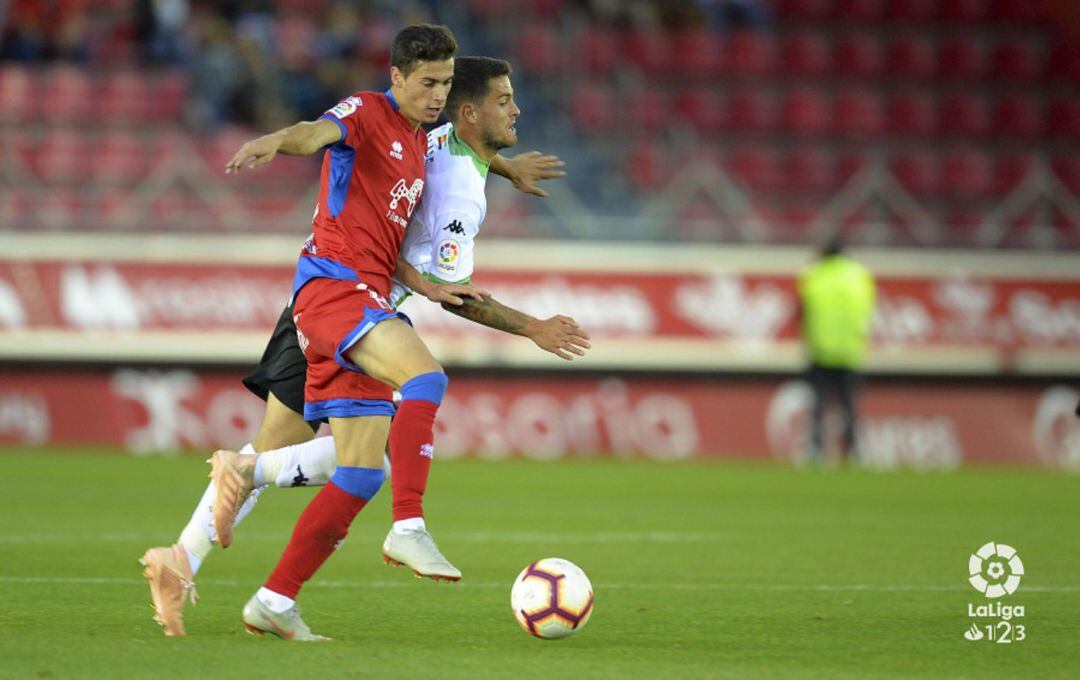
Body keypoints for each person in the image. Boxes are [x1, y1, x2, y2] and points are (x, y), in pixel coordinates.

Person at [139, 52, 590, 638]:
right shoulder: (450, 190)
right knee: (371, 431)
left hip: (358, 302)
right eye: (504, 100)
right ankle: (381, 521)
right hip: (347, 304)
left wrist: (504, 164)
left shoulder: (435, 135)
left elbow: (458, 138)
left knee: (352, 463)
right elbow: (456, 294)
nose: (516, 108)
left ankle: (191, 557)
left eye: (444, 85)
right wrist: (532, 327)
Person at [796, 237, 876, 464]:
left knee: (818, 404)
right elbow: (868, 309)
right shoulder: (859, 275)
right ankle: (852, 452)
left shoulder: (815, 274)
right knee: (849, 405)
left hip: (820, 349)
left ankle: (816, 450)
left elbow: (803, 308)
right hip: (850, 350)